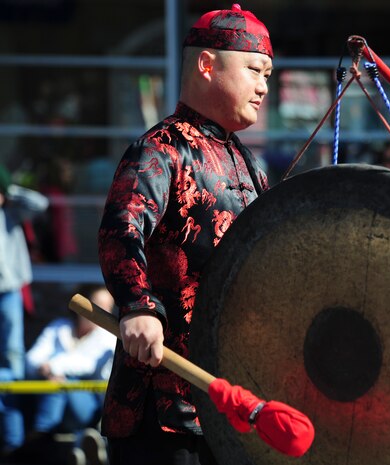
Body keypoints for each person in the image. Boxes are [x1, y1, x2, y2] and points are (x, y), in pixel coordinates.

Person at [96, 4, 273, 464]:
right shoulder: (160, 150)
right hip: (161, 409)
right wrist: (138, 305)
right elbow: (122, 228)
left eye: (268, 75)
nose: (263, 86)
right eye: (255, 69)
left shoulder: (249, 164)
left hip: (227, 402)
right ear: (207, 65)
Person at [21, 283, 115, 465]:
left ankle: (41, 434)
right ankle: (78, 446)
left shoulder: (107, 337)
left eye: (108, 307)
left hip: (88, 405)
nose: (104, 311)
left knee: (59, 385)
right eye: (98, 305)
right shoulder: (59, 327)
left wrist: (53, 367)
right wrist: (48, 371)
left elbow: (87, 364)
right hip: (53, 399)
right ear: (83, 303)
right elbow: (31, 359)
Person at [0, 164, 49, 456]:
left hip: (8, 293)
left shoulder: (11, 213)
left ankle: (13, 443)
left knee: (12, 357)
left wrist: (8, 190)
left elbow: (39, 203)